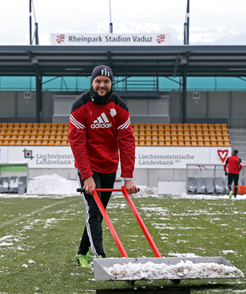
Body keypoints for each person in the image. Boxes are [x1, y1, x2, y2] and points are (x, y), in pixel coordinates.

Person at [69, 65, 137, 268]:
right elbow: (77, 144)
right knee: (94, 212)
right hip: (88, 167)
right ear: (92, 82)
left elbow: (127, 142)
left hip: (109, 167)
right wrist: (87, 176)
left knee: (98, 213)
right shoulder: (80, 106)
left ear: (111, 84)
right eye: (98, 81)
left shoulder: (120, 107)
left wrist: (128, 176)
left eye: (106, 82)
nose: (102, 85)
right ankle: (101, 258)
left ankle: (82, 252)